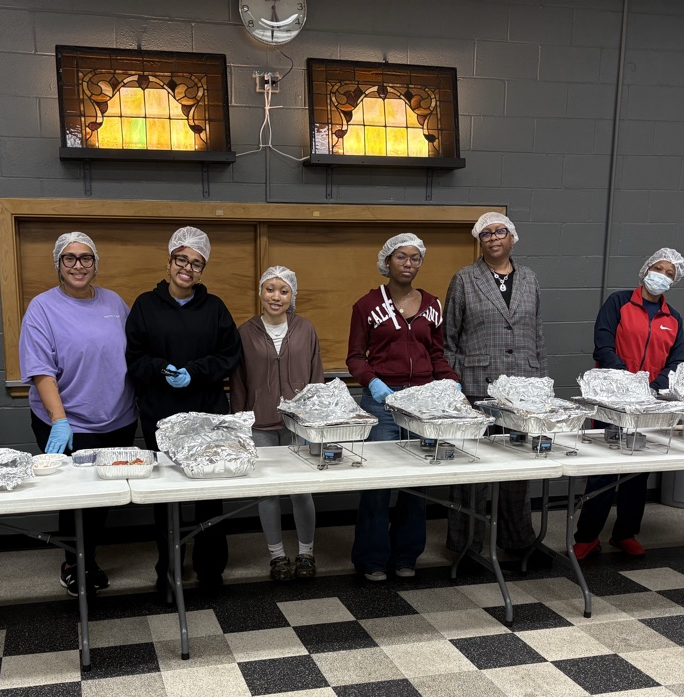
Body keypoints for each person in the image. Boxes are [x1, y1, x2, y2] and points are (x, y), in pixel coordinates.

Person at [125, 226, 241, 595]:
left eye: (197, 264)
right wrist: (161, 369)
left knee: (210, 497)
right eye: (182, 260)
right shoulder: (145, 305)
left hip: (208, 418)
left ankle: (211, 570)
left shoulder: (216, 309)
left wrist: (196, 372)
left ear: (203, 270)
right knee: (167, 498)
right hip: (161, 416)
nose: (188, 269)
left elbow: (229, 356)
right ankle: (170, 569)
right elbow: (134, 357)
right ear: (170, 260)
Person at [20, 232, 137, 598]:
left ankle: (89, 557)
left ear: (95, 264)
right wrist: (59, 419)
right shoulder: (42, 308)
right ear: (58, 264)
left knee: (101, 497)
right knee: (75, 499)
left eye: (85, 258)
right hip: (68, 423)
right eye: (69, 258)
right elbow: (41, 370)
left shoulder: (115, 302)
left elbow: (133, 353)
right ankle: (74, 564)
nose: (78, 265)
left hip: (117, 419)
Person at [347, 233, 459, 582]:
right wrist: (372, 382)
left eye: (415, 258)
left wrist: (450, 380)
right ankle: (372, 558)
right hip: (382, 401)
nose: (408, 264)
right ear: (387, 261)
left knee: (416, 483)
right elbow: (354, 357)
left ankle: (407, 554)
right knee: (378, 483)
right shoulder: (366, 305)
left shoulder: (433, 305)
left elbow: (436, 354)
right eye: (401, 257)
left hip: (422, 404)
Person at [443, 212, 548, 562]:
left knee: (518, 468)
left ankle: (518, 541)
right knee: (473, 470)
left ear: (512, 237)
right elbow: (450, 339)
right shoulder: (464, 279)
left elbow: (537, 335)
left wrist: (542, 387)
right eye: (485, 233)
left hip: (522, 388)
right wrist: (456, 387)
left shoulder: (530, 279)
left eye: (500, 231)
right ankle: (466, 547)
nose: (493, 238)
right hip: (477, 387)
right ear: (479, 241)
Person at [573, 248, 684, 561]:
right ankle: (586, 537)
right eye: (658, 268)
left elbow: (676, 363)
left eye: (669, 273)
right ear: (645, 269)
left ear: (674, 280)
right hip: (611, 401)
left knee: (638, 472)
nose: (661, 276)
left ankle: (625, 532)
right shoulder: (619, 302)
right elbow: (603, 344)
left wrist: (652, 388)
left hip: (648, 406)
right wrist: (628, 382)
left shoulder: (673, 318)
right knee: (604, 468)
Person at [230, 266, 324, 580]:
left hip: (299, 425)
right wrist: (240, 422)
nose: (276, 296)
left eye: (283, 291)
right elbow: (239, 381)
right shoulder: (245, 332)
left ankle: (306, 553)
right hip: (260, 424)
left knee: (302, 491)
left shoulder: (306, 329)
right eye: (270, 289)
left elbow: (316, 379)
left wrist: (315, 421)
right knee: (267, 492)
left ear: (291, 295)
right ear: (260, 292)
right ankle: (277, 556)